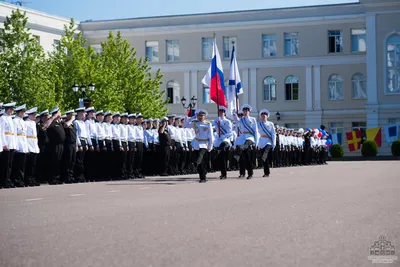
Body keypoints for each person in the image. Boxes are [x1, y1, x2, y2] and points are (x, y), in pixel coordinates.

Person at [184, 109, 214, 183]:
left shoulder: (208, 124)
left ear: (205, 117)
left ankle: (194, 164)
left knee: (200, 156)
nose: (200, 117)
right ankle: (202, 177)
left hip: (204, 143)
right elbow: (185, 125)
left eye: (202, 116)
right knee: (200, 162)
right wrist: (191, 117)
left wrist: (210, 145)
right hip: (196, 143)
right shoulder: (195, 123)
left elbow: (211, 136)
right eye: (199, 116)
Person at [232, 104, 258, 179]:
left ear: (249, 112)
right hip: (243, 138)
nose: (245, 112)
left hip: (250, 137)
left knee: (245, 150)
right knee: (244, 157)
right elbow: (237, 121)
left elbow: (256, 131)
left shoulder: (252, 119)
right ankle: (246, 173)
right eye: (244, 111)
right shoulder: (241, 119)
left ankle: (250, 173)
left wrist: (256, 141)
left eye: (247, 111)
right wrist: (234, 114)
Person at [46, 106, 66, 184]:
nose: (60, 113)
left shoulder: (59, 122)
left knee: (59, 162)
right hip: (54, 145)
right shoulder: (52, 122)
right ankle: (52, 178)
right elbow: (46, 125)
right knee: (54, 161)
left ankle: (57, 178)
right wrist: (53, 117)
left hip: (61, 145)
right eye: (59, 112)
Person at [212, 106, 232, 180]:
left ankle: (224, 173)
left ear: (224, 113)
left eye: (222, 112)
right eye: (219, 112)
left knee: (223, 155)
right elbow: (210, 124)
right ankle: (223, 173)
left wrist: (223, 137)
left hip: (225, 140)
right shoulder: (216, 121)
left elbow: (230, 133)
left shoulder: (228, 122)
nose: (221, 113)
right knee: (221, 158)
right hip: (218, 141)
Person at [0, 102, 18, 188]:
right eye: (12, 109)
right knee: (5, 164)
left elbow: (13, 133)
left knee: (10, 164)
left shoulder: (10, 118)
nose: (13, 111)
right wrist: (4, 144)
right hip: (6, 142)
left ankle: (8, 179)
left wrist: (14, 145)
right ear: (9, 109)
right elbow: (1, 132)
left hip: (11, 142)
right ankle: (3, 181)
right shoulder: (3, 118)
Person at [11, 104, 29, 187]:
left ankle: (21, 180)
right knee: (17, 164)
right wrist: (15, 145)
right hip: (18, 142)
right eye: (23, 111)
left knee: (22, 164)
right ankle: (16, 180)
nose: (24, 113)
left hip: (23, 143)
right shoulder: (15, 121)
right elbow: (14, 134)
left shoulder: (23, 121)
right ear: (20, 112)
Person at [257, 109, 276, 177]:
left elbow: (273, 134)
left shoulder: (270, 124)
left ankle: (264, 159)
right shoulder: (258, 124)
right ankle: (266, 173)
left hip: (268, 141)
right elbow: (257, 133)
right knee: (265, 159)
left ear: (267, 116)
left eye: (265, 115)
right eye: (262, 115)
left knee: (265, 154)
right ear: (261, 117)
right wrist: (257, 143)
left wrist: (274, 143)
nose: (264, 116)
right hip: (262, 141)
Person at [25, 107, 40, 186]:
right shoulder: (26, 123)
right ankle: (28, 179)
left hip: (34, 143)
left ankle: (32, 178)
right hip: (29, 143)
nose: (35, 116)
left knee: (34, 164)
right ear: (30, 115)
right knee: (29, 164)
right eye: (33, 115)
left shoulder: (33, 123)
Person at [61, 110, 77, 183]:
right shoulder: (65, 122)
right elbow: (66, 125)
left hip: (73, 144)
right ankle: (66, 177)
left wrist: (76, 144)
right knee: (68, 161)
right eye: (72, 114)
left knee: (73, 162)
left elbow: (75, 135)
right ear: (68, 115)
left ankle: (71, 176)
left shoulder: (73, 124)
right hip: (68, 144)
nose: (73, 116)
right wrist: (71, 119)